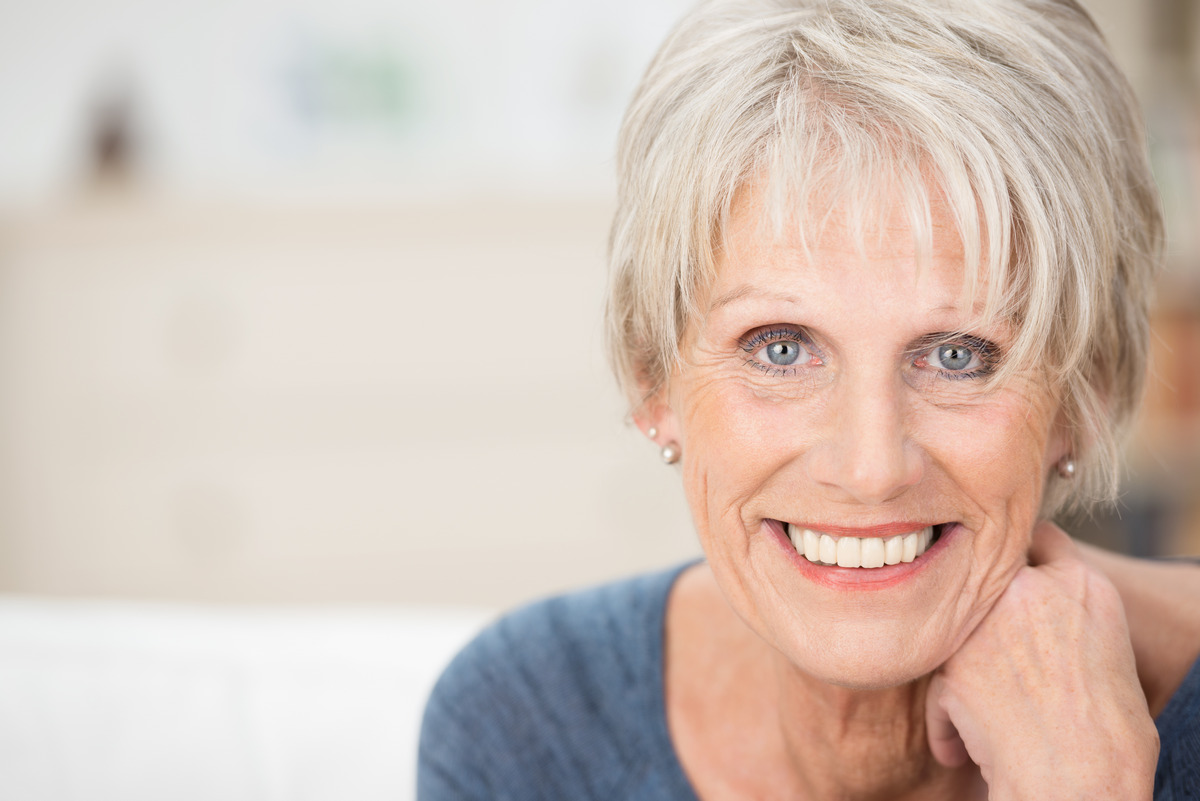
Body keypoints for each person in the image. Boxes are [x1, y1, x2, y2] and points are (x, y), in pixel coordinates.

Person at [418, 0, 1200, 797]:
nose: (869, 467)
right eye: (780, 348)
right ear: (651, 378)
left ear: (1086, 390)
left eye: (958, 356)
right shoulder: (532, 721)